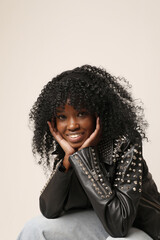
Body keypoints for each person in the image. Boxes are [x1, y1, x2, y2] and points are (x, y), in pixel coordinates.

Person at [17, 65, 160, 240]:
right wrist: (68, 161)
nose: (72, 125)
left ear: (97, 114)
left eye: (81, 113)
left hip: (139, 230)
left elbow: (119, 225)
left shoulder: (125, 144)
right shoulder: (68, 149)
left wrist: (86, 158)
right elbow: (50, 211)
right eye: (62, 117)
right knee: (35, 227)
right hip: (98, 224)